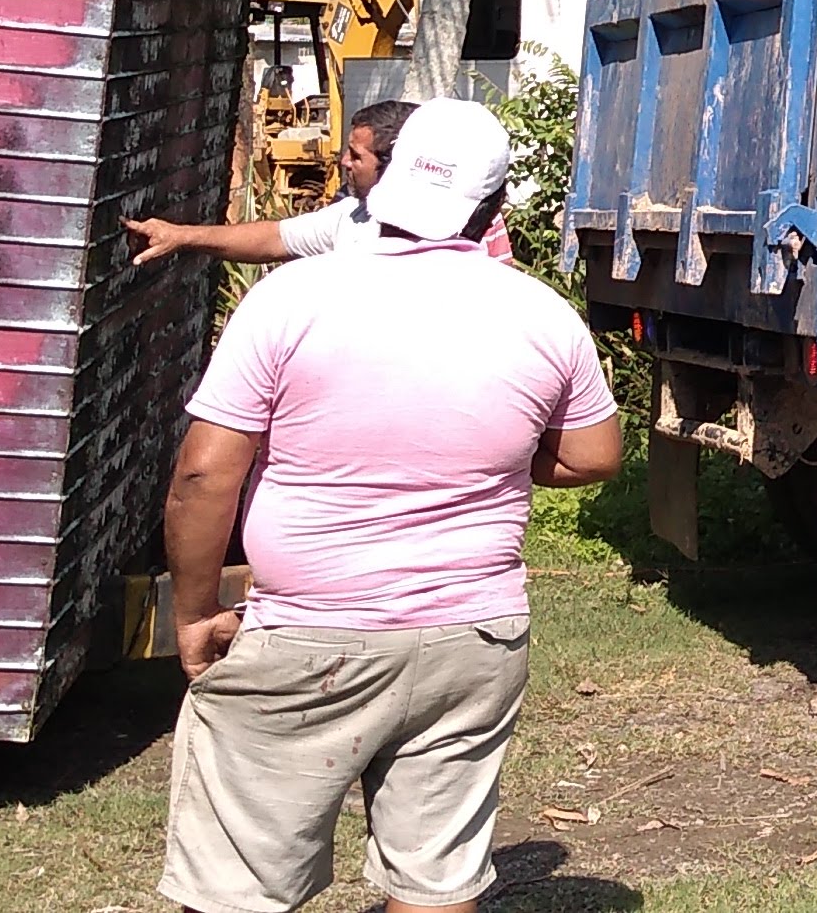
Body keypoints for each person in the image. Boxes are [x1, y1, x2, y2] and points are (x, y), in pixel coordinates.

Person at [156, 99, 619, 913]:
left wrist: (195, 613)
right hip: (473, 639)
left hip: (309, 632)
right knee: (435, 879)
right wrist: (478, 462)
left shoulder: (290, 299)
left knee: (238, 885)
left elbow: (203, 477)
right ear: (495, 205)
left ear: (388, 181)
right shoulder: (544, 314)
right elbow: (593, 455)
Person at [127, 100, 419, 265]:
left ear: (392, 163)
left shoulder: (452, 232)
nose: (343, 162)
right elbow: (274, 237)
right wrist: (180, 236)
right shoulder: (353, 215)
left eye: (356, 157)